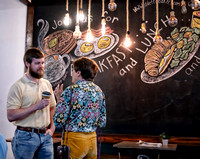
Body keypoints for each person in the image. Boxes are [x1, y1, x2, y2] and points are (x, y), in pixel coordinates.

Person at [7, 48, 56, 159]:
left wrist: (52, 128)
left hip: (45, 136)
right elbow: (10, 116)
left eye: (43, 63)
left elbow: (52, 107)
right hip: (25, 137)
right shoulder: (18, 86)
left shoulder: (46, 83)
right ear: (27, 63)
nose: (41, 66)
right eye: (37, 63)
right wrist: (36, 107)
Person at [54, 57, 106, 159]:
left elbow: (59, 121)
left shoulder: (71, 90)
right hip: (92, 140)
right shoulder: (98, 91)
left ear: (78, 73)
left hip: (75, 140)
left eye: (72, 70)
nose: (71, 73)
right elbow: (102, 122)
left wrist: (60, 100)